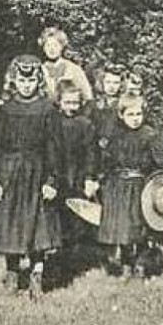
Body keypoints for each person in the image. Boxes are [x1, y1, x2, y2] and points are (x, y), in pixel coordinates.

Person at [0, 55, 62, 298]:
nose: (26, 85)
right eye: (21, 80)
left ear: (38, 81)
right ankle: (12, 271)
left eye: (31, 81)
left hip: (37, 172)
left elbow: (55, 148)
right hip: (10, 173)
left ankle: (37, 273)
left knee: (38, 223)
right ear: (13, 80)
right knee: (11, 222)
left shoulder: (48, 109)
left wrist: (51, 181)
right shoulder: (5, 110)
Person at [87, 93, 163, 277]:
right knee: (123, 228)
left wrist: (159, 184)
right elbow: (105, 161)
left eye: (138, 114)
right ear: (121, 115)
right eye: (130, 115)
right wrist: (97, 179)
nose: (135, 119)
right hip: (117, 186)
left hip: (140, 186)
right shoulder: (114, 136)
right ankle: (126, 264)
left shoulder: (150, 135)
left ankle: (141, 264)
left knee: (140, 226)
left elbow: (162, 164)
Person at [51, 78, 100, 275]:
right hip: (59, 173)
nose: (72, 107)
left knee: (77, 219)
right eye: (67, 102)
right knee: (58, 217)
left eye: (75, 103)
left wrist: (90, 177)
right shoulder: (53, 122)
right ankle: (58, 258)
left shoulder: (85, 124)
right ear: (59, 102)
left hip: (78, 174)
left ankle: (75, 260)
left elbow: (91, 152)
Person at [37, 27, 93, 104]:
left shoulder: (74, 69)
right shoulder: (39, 69)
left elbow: (87, 95)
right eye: (48, 45)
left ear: (62, 47)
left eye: (55, 45)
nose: (51, 49)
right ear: (43, 48)